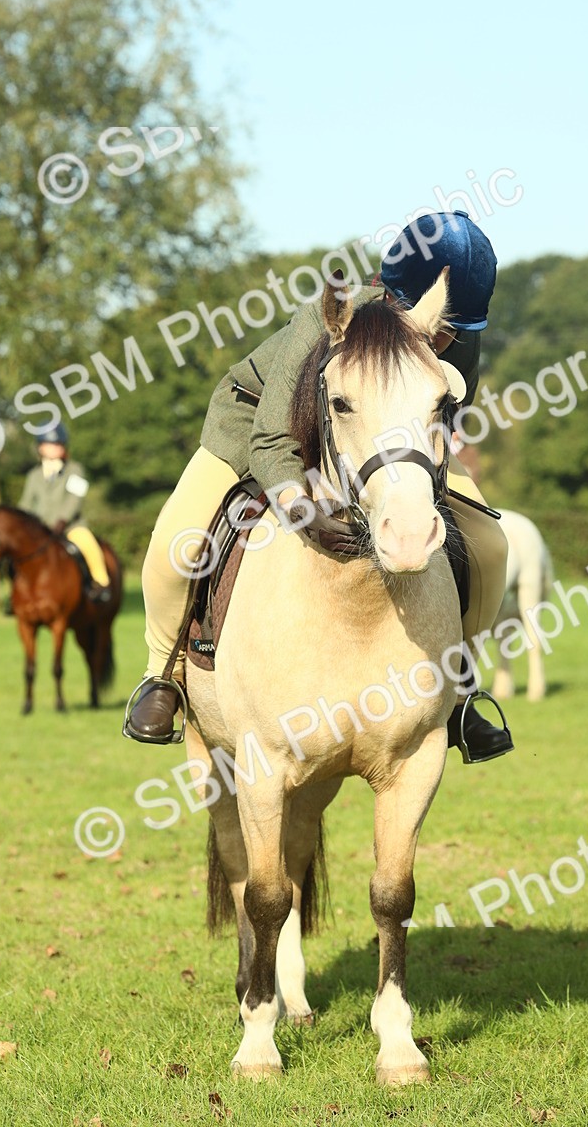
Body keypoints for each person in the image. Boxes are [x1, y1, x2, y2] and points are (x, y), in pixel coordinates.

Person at [125, 211, 512, 763]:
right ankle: (160, 674)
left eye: (454, 331)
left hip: (384, 450)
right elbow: (271, 436)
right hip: (257, 426)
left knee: (493, 546)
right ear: (393, 294)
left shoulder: (458, 344)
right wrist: (296, 502)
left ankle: (461, 690)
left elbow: (438, 425)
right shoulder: (327, 322)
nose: (444, 341)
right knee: (178, 545)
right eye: (440, 326)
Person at [19, 422, 111, 601]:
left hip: (70, 527)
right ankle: (16, 593)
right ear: (40, 448)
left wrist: (62, 520)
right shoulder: (33, 475)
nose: (54, 448)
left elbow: (75, 499)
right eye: (50, 444)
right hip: (41, 530)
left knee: (88, 543)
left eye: (58, 444)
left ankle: (101, 584)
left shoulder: (75, 470)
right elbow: (26, 503)